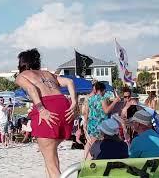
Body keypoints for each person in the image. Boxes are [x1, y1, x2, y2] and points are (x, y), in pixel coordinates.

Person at [15, 48, 76, 178]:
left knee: (51, 163)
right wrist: (74, 103)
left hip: (47, 107)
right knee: (51, 157)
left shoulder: (22, 76)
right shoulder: (48, 74)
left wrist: (41, 109)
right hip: (64, 106)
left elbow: (31, 88)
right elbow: (70, 82)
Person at [85, 82, 120, 159]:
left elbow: (86, 112)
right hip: (100, 124)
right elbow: (106, 111)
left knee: (90, 143)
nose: (105, 92)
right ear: (102, 90)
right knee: (98, 146)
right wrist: (115, 102)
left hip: (92, 123)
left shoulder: (90, 99)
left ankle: (85, 160)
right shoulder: (102, 99)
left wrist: (85, 123)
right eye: (105, 91)